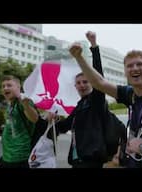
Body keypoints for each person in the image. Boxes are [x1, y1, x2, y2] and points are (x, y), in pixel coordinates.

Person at [49, 31, 113, 168]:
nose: (82, 85)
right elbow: (64, 126)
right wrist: (54, 118)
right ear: (75, 86)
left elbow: (99, 75)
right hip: (77, 160)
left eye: (85, 82)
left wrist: (94, 46)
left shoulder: (96, 100)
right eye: (78, 83)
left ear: (92, 83)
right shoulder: (79, 106)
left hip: (92, 160)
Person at [0, 75, 39, 168]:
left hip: (19, 157)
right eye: (3, 86)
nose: (5, 88)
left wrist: (26, 105)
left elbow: (34, 119)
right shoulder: (11, 104)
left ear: (18, 87)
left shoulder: (23, 101)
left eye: (9, 85)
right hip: (7, 156)